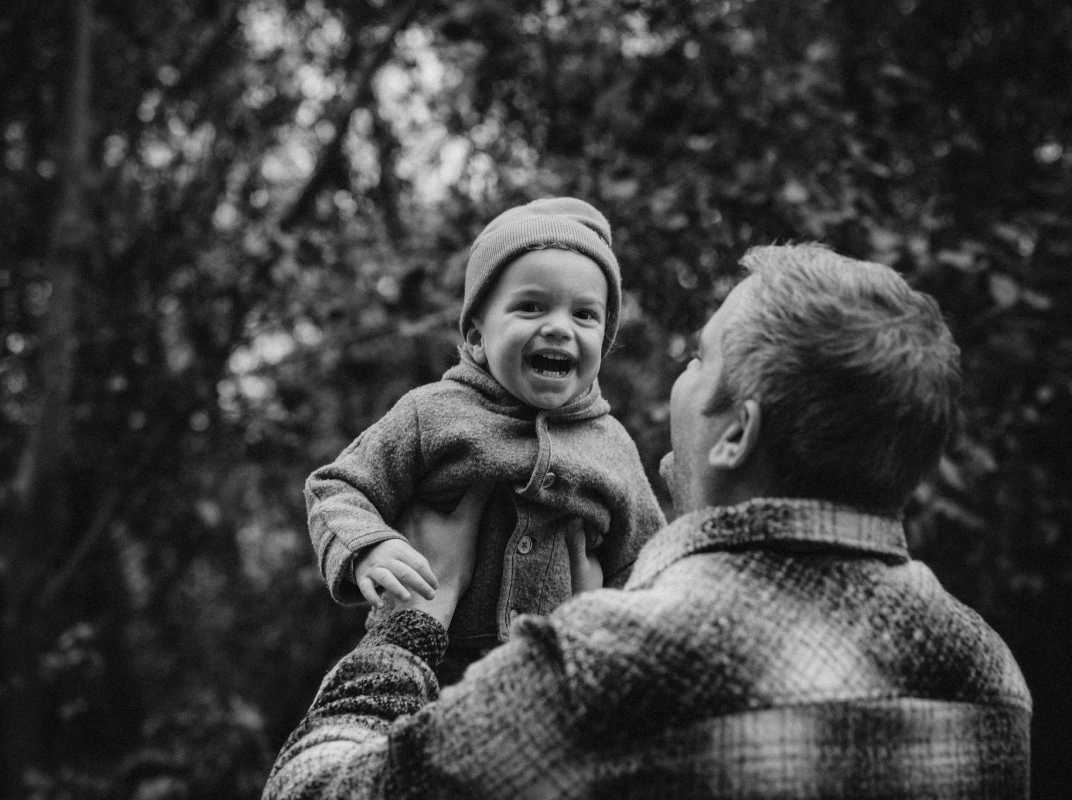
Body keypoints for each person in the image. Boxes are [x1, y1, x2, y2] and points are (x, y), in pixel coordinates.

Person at [268, 243, 1031, 799]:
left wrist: (405, 632)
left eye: (698, 361)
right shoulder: (991, 680)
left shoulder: (608, 665)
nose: (675, 379)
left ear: (738, 433)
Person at [305, 197, 665, 682]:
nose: (558, 327)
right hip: (427, 663)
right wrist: (369, 548)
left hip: (551, 683)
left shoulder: (611, 446)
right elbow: (335, 488)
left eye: (584, 315)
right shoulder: (433, 412)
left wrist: (615, 634)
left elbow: (645, 567)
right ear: (477, 337)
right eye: (531, 306)